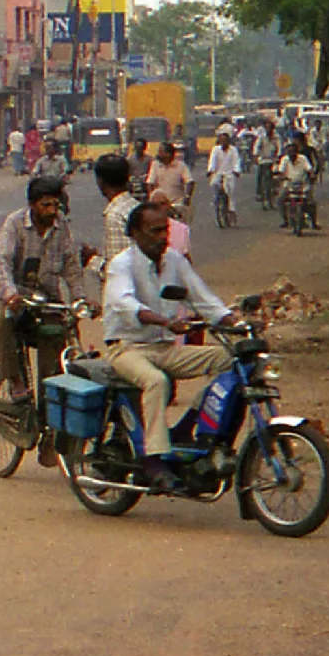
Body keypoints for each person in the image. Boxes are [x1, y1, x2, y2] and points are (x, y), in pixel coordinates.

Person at [103, 201, 243, 490]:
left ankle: (189, 425)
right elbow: (126, 304)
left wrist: (235, 323)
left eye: (165, 230)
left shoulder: (175, 261)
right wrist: (166, 323)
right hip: (127, 349)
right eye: (154, 231)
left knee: (231, 361)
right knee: (156, 381)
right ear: (135, 234)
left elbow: (203, 299)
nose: (162, 238)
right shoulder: (121, 265)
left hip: (165, 348)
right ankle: (153, 459)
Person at [0, 177, 95, 462]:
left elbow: (72, 267)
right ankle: (14, 380)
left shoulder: (62, 228)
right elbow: (2, 264)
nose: (52, 210)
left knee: (58, 343)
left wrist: (80, 299)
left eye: (55, 204)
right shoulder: (14, 225)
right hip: (15, 294)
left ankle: (50, 425)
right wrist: (11, 293)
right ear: (33, 205)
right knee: (5, 322)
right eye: (46, 204)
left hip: (47, 298)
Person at [86, 155, 142, 288]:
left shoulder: (115, 216)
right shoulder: (136, 206)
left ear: (100, 181)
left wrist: (92, 260)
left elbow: (116, 272)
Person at [273, 139, 318, 229]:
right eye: (289, 152)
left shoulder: (303, 159)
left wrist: (312, 175)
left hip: (303, 185)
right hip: (288, 185)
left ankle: (314, 222)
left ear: (297, 152)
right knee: (280, 200)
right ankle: (285, 220)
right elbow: (281, 172)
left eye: (293, 152)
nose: (292, 154)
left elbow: (309, 169)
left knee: (311, 203)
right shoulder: (284, 160)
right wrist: (281, 177)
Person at [146, 141, 194, 221]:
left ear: (169, 154)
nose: (158, 154)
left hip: (176, 204)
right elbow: (150, 183)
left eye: (161, 152)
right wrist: (151, 197)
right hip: (160, 205)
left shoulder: (180, 165)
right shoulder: (155, 165)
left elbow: (190, 182)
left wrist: (187, 197)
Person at [206, 130, 242, 220]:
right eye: (222, 141)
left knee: (230, 192)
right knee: (214, 184)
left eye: (225, 141)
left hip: (229, 174)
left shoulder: (233, 150)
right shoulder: (215, 150)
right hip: (218, 173)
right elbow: (212, 161)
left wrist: (236, 171)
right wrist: (210, 170)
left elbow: (236, 161)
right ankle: (217, 201)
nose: (223, 143)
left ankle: (231, 210)